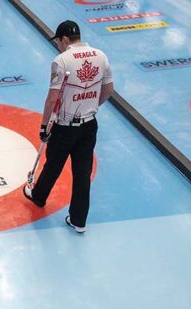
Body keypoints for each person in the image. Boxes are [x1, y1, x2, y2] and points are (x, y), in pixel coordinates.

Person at [23, 20, 114, 234]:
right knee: (83, 173)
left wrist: (44, 126)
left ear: (65, 39)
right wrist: (92, 106)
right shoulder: (100, 55)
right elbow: (109, 89)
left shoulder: (61, 61)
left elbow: (52, 98)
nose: (57, 45)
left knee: (53, 164)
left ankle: (39, 196)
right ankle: (79, 220)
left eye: (58, 41)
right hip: (89, 124)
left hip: (65, 126)